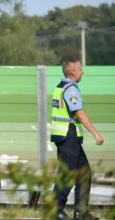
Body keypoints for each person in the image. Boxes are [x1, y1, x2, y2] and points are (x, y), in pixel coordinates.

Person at [52, 58, 104, 220]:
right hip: (68, 136)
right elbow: (79, 114)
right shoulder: (71, 89)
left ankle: (80, 212)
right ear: (72, 72)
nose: (83, 72)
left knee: (84, 174)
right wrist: (96, 134)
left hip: (67, 137)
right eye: (80, 69)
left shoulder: (60, 86)